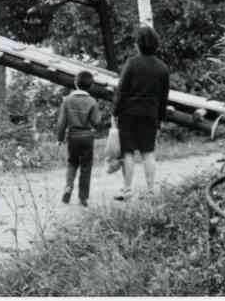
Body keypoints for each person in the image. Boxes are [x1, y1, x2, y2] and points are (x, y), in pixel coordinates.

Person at [112, 25, 171, 200]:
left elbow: (121, 90)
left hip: (128, 113)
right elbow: (163, 97)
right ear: (156, 45)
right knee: (148, 152)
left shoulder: (132, 63)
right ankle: (151, 191)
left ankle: (128, 190)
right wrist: (160, 118)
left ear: (138, 44)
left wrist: (115, 111)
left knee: (128, 152)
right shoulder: (162, 68)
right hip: (150, 114)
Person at [56, 69, 102, 206]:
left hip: (73, 136)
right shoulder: (92, 101)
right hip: (87, 137)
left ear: (75, 83)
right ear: (91, 85)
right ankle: (83, 197)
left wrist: (59, 138)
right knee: (86, 166)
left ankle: (68, 186)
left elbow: (61, 122)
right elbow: (97, 121)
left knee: (72, 163)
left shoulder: (68, 100)